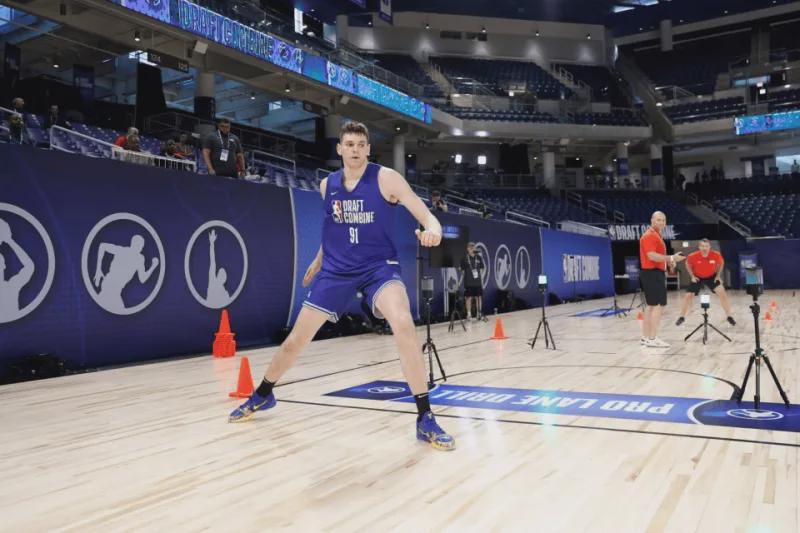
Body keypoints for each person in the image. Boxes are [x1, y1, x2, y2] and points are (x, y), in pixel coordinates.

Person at [229, 121, 455, 451]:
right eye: (349, 144)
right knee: (295, 341)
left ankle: (425, 417)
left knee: (404, 323)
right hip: (336, 271)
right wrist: (318, 260)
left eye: (360, 144)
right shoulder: (327, 186)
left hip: (378, 268)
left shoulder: (386, 179)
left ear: (368, 149)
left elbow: (426, 215)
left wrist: (433, 230)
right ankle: (263, 394)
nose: (355, 150)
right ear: (340, 149)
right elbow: (333, 228)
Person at [639, 211, 686, 348]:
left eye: (663, 220)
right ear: (652, 220)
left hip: (652, 273)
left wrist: (669, 262)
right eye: (658, 220)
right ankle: (652, 339)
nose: (661, 222)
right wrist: (671, 258)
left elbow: (657, 257)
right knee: (658, 306)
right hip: (652, 274)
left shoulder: (656, 235)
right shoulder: (649, 236)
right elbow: (651, 256)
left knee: (651, 306)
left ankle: (646, 337)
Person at [675, 239, 735, 326]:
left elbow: (721, 263)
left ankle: (729, 316)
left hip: (711, 276)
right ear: (699, 247)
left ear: (709, 247)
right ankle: (681, 317)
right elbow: (687, 264)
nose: (704, 248)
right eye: (702, 246)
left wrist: (718, 276)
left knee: (722, 293)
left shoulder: (716, 255)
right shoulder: (693, 256)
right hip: (698, 277)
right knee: (688, 296)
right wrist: (692, 276)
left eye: (706, 246)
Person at [460, 242, 485, 320]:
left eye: (473, 247)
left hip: (478, 282)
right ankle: (469, 314)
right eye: (470, 247)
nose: (472, 248)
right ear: (467, 249)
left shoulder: (479, 257)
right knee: (468, 298)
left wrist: (480, 277)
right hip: (468, 282)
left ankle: (479, 313)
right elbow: (462, 271)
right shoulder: (464, 258)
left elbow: (482, 268)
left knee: (479, 297)